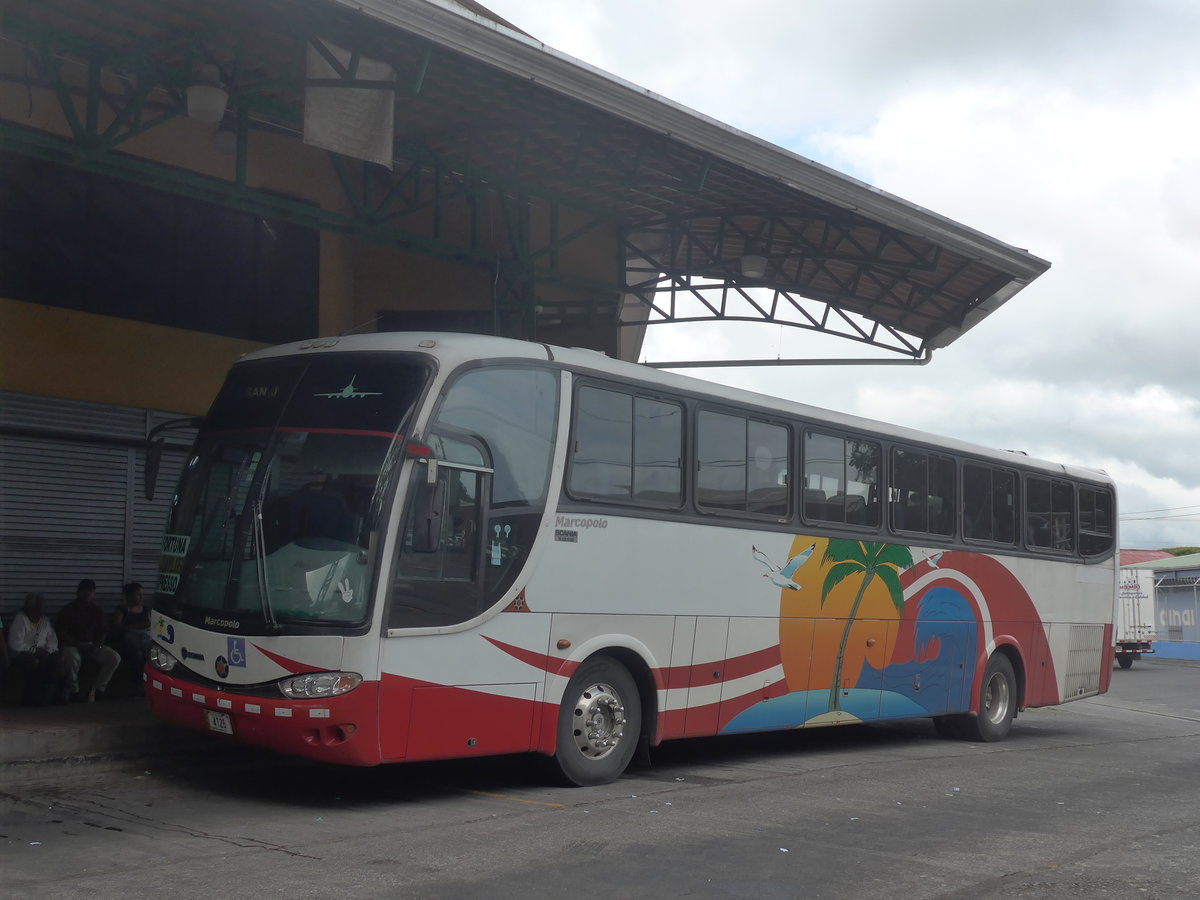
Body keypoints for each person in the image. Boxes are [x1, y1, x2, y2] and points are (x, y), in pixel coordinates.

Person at [56, 578, 121, 702]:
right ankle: (74, 691)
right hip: (73, 645)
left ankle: (97, 690)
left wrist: (97, 646)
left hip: (92, 645)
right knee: (71, 657)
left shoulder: (97, 611)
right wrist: (76, 644)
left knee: (114, 657)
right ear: (79, 593)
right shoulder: (68, 610)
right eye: (85, 592)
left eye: (91, 592)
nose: (88, 595)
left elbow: (103, 630)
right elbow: (62, 632)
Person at [7, 593, 66, 705]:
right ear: (32, 608)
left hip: (43, 652)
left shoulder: (45, 621)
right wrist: (34, 651)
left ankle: (54, 696)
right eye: (41, 606)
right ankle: (32, 697)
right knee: (34, 662)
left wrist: (48, 651)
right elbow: (15, 644)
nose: (44, 608)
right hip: (22, 654)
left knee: (57, 660)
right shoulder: (21, 619)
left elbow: (53, 640)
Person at [111, 581, 152, 691]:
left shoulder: (145, 610)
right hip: (127, 643)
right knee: (138, 654)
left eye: (142, 594)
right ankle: (138, 684)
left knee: (146, 651)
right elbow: (117, 627)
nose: (141, 597)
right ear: (129, 596)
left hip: (144, 640)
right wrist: (136, 627)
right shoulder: (122, 610)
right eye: (138, 594)